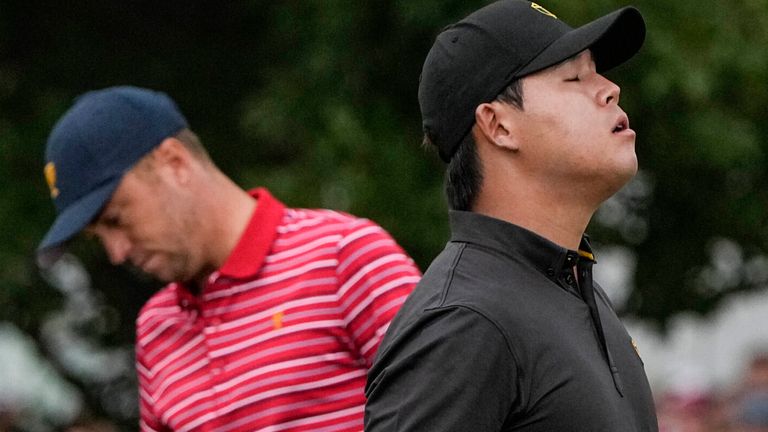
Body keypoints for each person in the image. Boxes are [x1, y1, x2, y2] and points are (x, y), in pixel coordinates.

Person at [37, 86, 421, 432]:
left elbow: (452, 410)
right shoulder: (156, 330)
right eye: (98, 237)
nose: (116, 252)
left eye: (116, 220)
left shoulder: (345, 256)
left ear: (174, 162)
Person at [364, 1, 658, 431]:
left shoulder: (575, 289)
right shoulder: (464, 321)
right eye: (575, 76)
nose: (609, 88)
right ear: (498, 125)